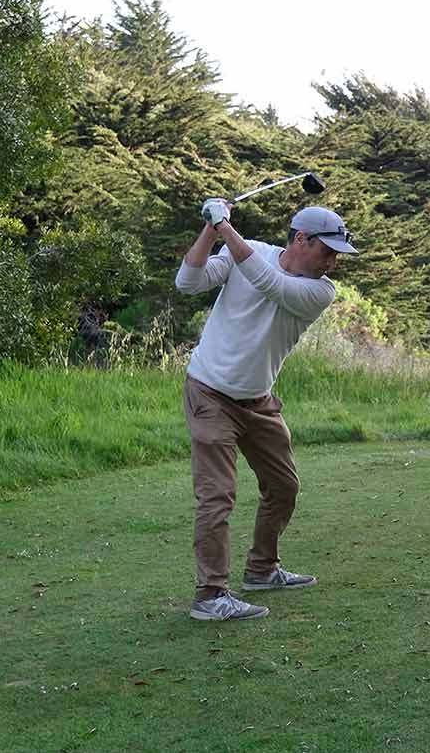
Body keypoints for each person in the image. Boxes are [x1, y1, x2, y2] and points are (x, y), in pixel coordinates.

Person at [174, 200, 357, 621]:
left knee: (283, 486)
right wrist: (210, 229)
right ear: (301, 239)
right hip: (209, 392)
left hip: (258, 401)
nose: (333, 262)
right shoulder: (250, 251)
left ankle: (261, 569)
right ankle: (210, 595)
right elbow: (188, 282)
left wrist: (225, 227)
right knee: (217, 495)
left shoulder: (320, 292)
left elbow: (269, 282)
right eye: (328, 251)